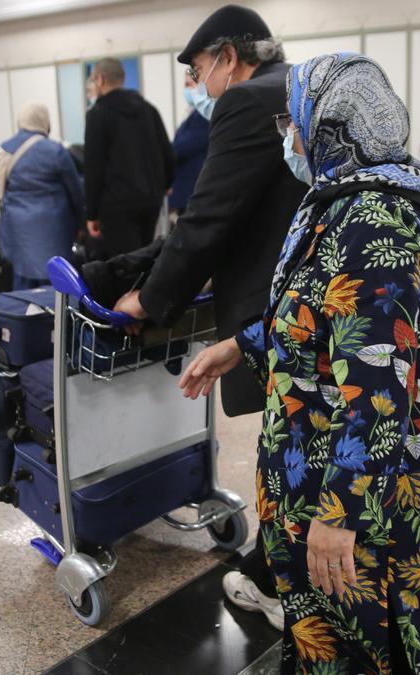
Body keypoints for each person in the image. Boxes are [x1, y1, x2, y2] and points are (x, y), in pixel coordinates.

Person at [179, 52, 420, 672]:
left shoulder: (374, 219)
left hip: (377, 504)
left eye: (293, 120)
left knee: (383, 644)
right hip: (339, 478)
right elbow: (323, 315)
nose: (288, 135)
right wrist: (243, 345)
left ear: (330, 125)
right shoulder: (341, 201)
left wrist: (339, 515)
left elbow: (380, 390)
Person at [111, 4, 307, 631]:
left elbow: (211, 216)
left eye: (199, 70)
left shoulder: (247, 101)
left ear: (228, 55)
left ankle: (285, 587)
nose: (199, 85)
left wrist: (149, 297)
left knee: (292, 447)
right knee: (309, 441)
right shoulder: (300, 89)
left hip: (280, 308)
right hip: (325, 296)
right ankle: (270, 569)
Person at [84, 57, 175, 257]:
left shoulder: (98, 114)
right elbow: (166, 150)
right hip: (151, 200)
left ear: (100, 79)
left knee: (125, 264)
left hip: (117, 205)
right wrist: (167, 183)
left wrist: (91, 213)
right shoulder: (148, 109)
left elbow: (93, 167)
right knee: (145, 258)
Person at [0, 103, 85, 289]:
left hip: (16, 226)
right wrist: (82, 223)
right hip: (54, 227)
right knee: (55, 280)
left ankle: (23, 315)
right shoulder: (56, 150)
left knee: (22, 279)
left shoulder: (4, 149)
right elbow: (75, 191)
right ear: (45, 122)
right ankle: (55, 317)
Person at [168, 74, 210, 217]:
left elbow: (182, 148)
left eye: (191, 84)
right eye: (185, 85)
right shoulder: (193, 113)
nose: (187, 89)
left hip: (193, 190)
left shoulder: (204, 115)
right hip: (187, 192)